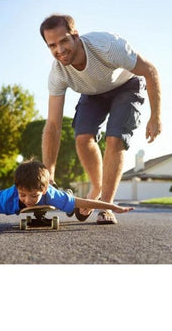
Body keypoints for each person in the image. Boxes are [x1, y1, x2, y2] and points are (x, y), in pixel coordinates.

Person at [40, 14, 161, 225]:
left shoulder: (108, 46)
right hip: (93, 93)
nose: (59, 50)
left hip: (126, 86)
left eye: (64, 41)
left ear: (75, 36)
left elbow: (150, 71)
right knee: (82, 137)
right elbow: (53, 125)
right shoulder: (58, 73)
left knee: (114, 139)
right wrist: (48, 170)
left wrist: (156, 116)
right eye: (52, 46)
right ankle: (96, 187)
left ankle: (106, 205)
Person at [0, 159, 134, 219]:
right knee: (67, 205)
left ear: (43, 191)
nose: (27, 199)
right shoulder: (8, 197)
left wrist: (112, 207)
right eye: (23, 194)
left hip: (56, 196)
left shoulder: (51, 195)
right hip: (36, 193)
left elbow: (86, 202)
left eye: (33, 195)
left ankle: (69, 203)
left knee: (73, 206)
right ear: (16, 188)